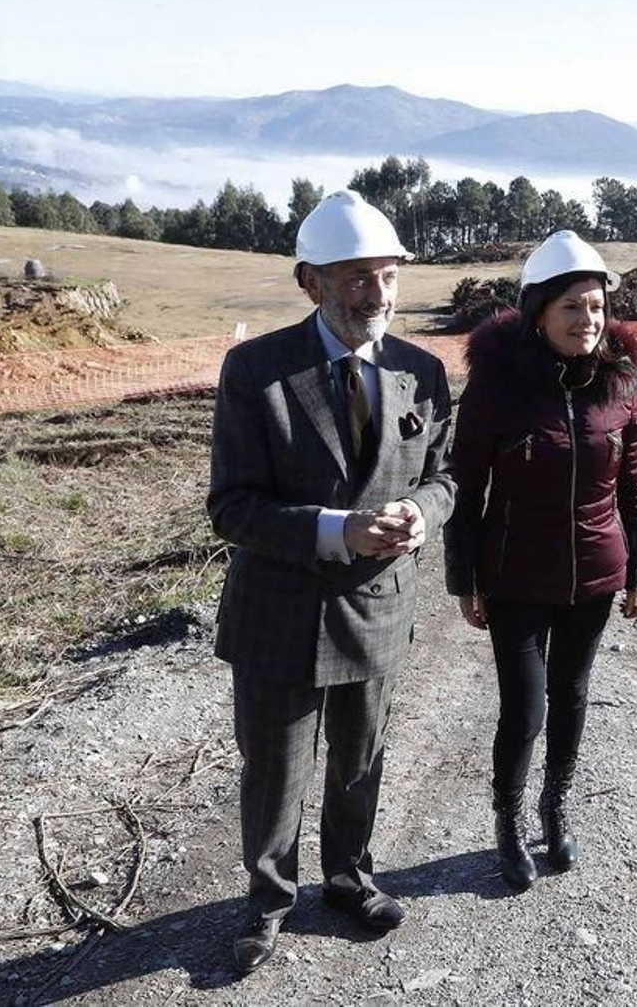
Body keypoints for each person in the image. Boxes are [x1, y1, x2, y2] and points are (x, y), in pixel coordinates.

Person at [207, 190, 454, 973]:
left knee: (359, 761)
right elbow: (232, 505)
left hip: (379, 610)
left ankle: (348, 878)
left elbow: (447, 477)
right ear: (310, 280)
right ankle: (267, 900)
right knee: (277, 771)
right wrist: (332, 527)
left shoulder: (422, 372)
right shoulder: (257, 371)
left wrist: (421, 512)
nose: (376, 296)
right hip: (280, 615)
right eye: (356, 278)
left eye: (387, 277)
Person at [444, 230, 637, 891]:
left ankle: (554, 805)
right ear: (538, 310)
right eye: (571, 306)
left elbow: (636, 477)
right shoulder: (497, 388)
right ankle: (507, 821)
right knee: (526, 708)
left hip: (595, 572)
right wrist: (464, 576)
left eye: (595, 306)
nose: (587, 319)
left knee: (573, 695)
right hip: (515, 574)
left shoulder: (620, 384)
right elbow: (465, 481)